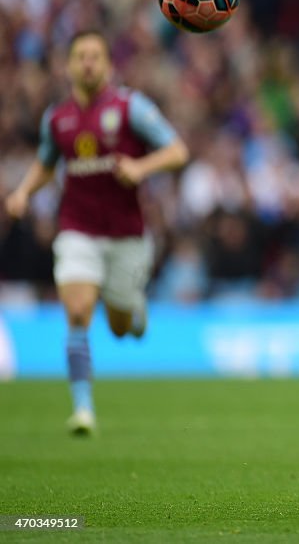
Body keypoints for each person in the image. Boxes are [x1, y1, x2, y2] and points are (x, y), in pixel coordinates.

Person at [4, 31, 189, 435]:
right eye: (80, 56)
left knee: (121, 326)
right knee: (77, 312)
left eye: (95, 56)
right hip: (77, 228)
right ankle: (83, 409)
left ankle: (134, 308)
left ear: (108, 64)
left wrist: (140, 169)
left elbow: (178, 152)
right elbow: (45, 163)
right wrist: (21, 192)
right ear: (69, 65)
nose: (88, 63)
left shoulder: (131, 108)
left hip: (126, 234)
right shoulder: (57, 118)